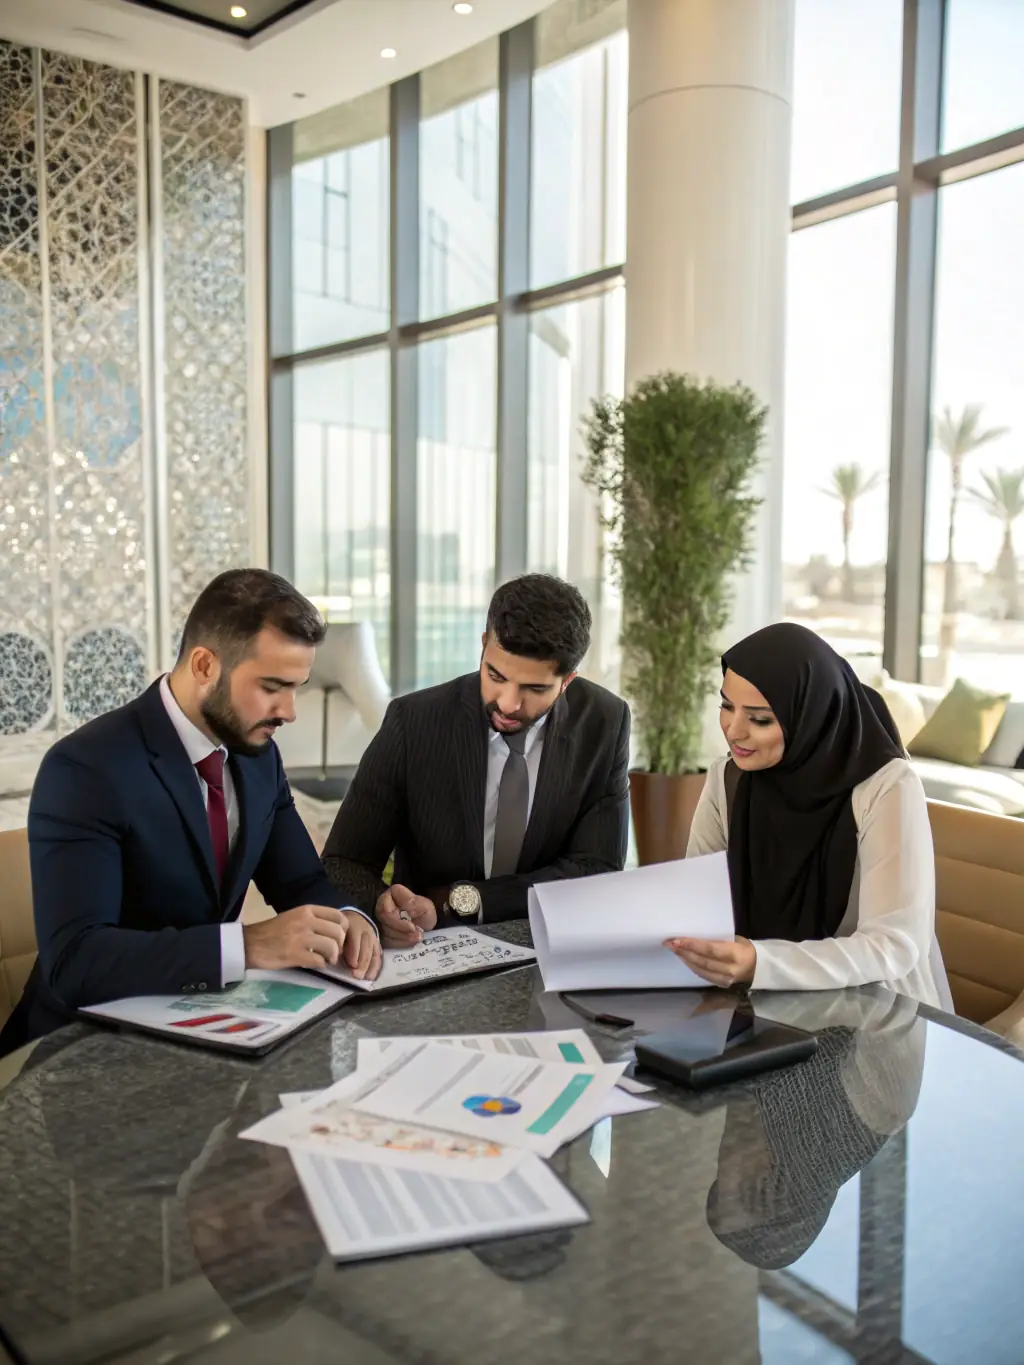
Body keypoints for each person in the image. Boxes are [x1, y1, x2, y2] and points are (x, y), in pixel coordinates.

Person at [0, 569, 380, 1057]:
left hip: (201, 1032)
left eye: (297, 687)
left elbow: (303, 883)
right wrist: (247, 946)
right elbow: (77, 963)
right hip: (78, 1051)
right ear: (204, 665)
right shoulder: (85, 768)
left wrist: (351, 920)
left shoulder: (258, 755)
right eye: (272, 687)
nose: (289, 711)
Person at [322, 574, 631, 946]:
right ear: (484, 645)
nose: (508, 703)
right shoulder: (415, 722)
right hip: (430, 950)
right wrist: (383, 910)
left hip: (551, 948)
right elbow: (344, 861)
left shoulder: (605, 722)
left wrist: (460, 901)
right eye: (495, 675)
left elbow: (596, 870)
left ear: (567, 680)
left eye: (535, 688)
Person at [665, 622, 952, 1008]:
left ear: (811, 715)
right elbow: (695, 899)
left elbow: (892, 946)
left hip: (870, 1011)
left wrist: (760, 962)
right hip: (749, 1000)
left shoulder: (886, 787)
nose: (734, 731)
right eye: (726, 706)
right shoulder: (728, 777)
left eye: (760, 719)